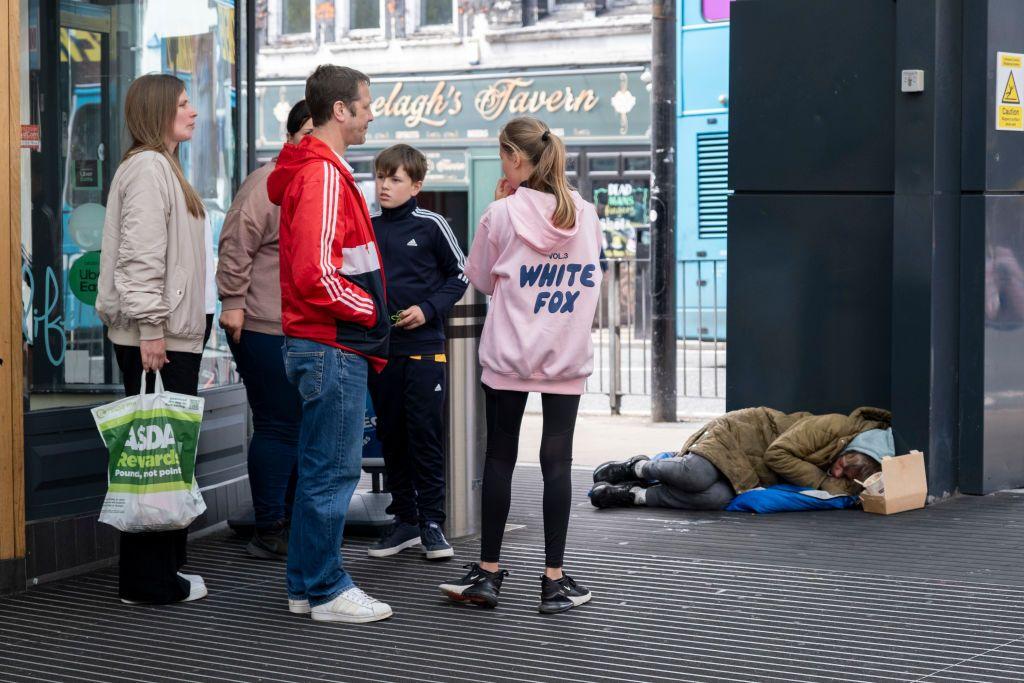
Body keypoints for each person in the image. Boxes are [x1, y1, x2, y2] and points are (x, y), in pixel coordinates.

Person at [438, 116, 603, 614]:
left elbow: (483, 280)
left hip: (510, 354)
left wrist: (502, 204)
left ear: (513, 159)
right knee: (557, 463)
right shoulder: (588, 215)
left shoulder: (500, 214)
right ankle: (554, 580)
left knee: (500, 460)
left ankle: (488, 574)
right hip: (565, 356)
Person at [267, 65, 392, 623]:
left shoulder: (315, 170)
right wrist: (368, 311)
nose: (371, 113)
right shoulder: (321, 174)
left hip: (322, 342)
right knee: (333, 472)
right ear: (339, 110)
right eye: (365, 104)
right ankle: (325, 589)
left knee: (321, 468)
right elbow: (315, 271)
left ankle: (306, 585)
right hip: (332, 343)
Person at [95, 73, 209, 605]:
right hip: (156, 337)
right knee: (155, 457)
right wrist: (152, 330)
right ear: (159, 111)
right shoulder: (147, 168)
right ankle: (148, 582)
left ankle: (165, 572)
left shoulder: (161, 166)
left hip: (168, 334)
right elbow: (139, 261)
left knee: (165, 455)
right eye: (183, 103)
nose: (192, 111)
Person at [217, 100, 313, 560]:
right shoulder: (266, 183)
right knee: (278, 425)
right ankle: (269, 525)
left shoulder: (322, 181)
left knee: (296, 425)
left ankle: (288, 521)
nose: (315, 141)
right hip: (262, 325)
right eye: (308, 132)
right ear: (291, 136)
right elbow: (236, 243)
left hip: (304, 328)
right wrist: (232, 301)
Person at [365, 144, 468, 561]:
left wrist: (427, 310)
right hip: (382, 351)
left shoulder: (431, 225)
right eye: (381, 177)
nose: (385, 186)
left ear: (416, 185)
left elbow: (460, 274)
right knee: (392, 434)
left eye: (395, 179)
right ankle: (405, 519)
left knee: (425, 433)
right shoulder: (367, 227)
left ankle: (432, 523)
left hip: (425, 350)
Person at [589, 407, 892, 510]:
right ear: (852, 447)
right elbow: (777, 453)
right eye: (841, 465)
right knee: (696, 475)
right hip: (744, 433)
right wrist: (824, 481)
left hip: (749, 472)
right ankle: (639, 467)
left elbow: (846, 490)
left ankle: (635, 496)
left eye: (845, 475)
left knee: (715, 498)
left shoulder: (863, 466)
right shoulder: (835, 426)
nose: (837, 474)